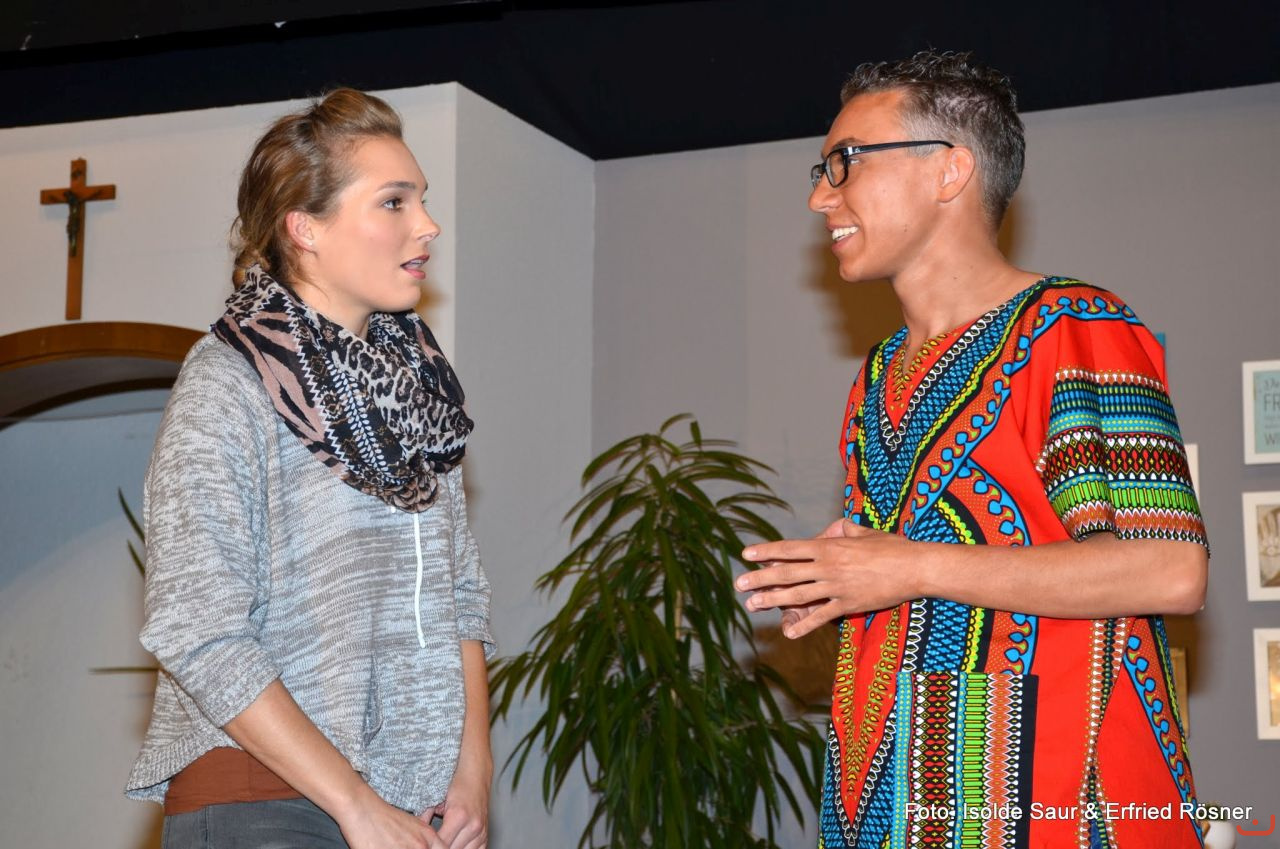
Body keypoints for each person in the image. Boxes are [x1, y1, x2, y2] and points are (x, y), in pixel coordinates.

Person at [736, 52, 1208, 848]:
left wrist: (909, 565)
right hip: (894, 793)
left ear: (949, 170)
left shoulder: (1076, 327)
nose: (821, 196)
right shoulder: (878, 376)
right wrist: (845, 574)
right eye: (823, 170)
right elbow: (923, 562)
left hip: (1056, 801)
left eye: (846, 162)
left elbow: (1171, 568)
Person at [125, 89, 493, 849]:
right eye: (394, 201)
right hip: (261, 797)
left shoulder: (421, 393)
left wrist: (473, 772)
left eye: (422, 199)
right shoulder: (228, 382)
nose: (427, 224)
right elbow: (197, 627)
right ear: (306, 228)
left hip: (404, 806)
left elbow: (459, 597)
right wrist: (353, 803)